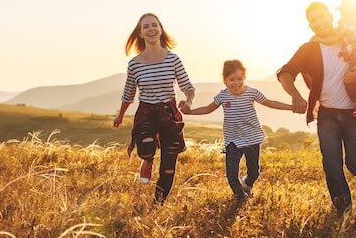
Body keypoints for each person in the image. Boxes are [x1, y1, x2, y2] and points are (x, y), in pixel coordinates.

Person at [277, 2, 356, 215]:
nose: (319, 23)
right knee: (332, 164)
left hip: (354, 114)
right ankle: (343, 211)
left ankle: (354, 170)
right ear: (310, 26)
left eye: (322, 17)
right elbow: (285, 73)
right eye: (314, 21)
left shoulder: (349, 39)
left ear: (330, 16)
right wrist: (296, 96)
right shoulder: (308, 50)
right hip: (326, 115)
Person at [180, 59, 292, 200]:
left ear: (245, 78)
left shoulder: (252, 93)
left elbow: (270, 103)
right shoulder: (223, 95)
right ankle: (241, 198)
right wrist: (190, 112)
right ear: (225, 80)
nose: (236, 83)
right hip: (232, 140)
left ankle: (247, 184)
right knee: (231, 175)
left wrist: (291, 107)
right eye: (231, 79)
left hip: (252, 138)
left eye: (240, 79)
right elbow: (208, 109)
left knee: (254, 173)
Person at [113, 13, 195, 204]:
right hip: (147, 113)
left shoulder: (173, 59)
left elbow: (188, 87)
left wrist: (188, 101)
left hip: (169, 113)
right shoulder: (134, 64)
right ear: (140, 33)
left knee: (168, 167)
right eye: (146, 27)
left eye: (154, 25)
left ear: (160, 29)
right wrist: (120, 115)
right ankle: (148, 159)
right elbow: (128, 94)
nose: (151, 29)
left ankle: (158, 205)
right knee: (147, 147)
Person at [311, 0, 356, 118]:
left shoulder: (346, 25)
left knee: (348, 80)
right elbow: (351, 43)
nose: (342, 15)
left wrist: (319, 39)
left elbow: (336, 38)